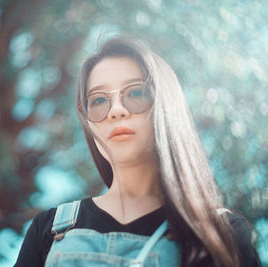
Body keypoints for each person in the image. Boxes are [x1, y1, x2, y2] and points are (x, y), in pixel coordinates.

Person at [14, 36, 261, 267]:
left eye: (135, 93)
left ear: (166, 105)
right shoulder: (47, 229)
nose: (116, 110)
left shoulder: (223, 233)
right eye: (99, 100)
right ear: (87, 122)